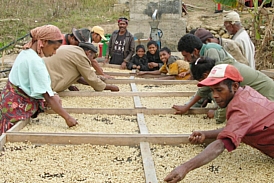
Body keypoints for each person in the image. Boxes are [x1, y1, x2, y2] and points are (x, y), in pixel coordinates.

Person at [164, 64, 274, 183]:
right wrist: (206, 134)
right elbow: (235, 127)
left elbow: (220, 145)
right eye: (212, 90)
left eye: (219, 90)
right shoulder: (244, 93)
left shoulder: (242, 109)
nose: (215, 95)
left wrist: (185, 167)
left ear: (235, 86)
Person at [0, 25, 78, 135]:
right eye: (54, 48)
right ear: (44, 42)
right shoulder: (35, 62)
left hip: (8, 101)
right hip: (16, 107)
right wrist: (68, 118)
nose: (54, 53)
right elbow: (48, 97)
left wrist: (53, 94)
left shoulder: (26, 53)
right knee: (10, 138)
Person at [190, 56, 274, 121]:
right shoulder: (220, 68)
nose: (214, 95)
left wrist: (217, 115)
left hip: (268, 98)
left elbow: (228, 100)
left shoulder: (224, 75)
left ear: (205, 75)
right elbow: (203, 90)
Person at [173, 34, 233, 119]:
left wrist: (187, 106)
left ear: (195, 51)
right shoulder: (200, 57)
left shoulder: (211, 51)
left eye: (186, 56)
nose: (185, 59)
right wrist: (189, 106)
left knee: (215, 93)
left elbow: (214, 81)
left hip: (231, 85)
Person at [44, 43, 119, 92]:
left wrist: (69, 85)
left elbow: (66, 70)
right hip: (46, 85)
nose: (91, 60)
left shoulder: (71, 49)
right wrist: (109, 87)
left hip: (41, 77)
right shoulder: (81, 56)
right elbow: (90, 78)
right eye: (92, 57)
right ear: (88, 52)